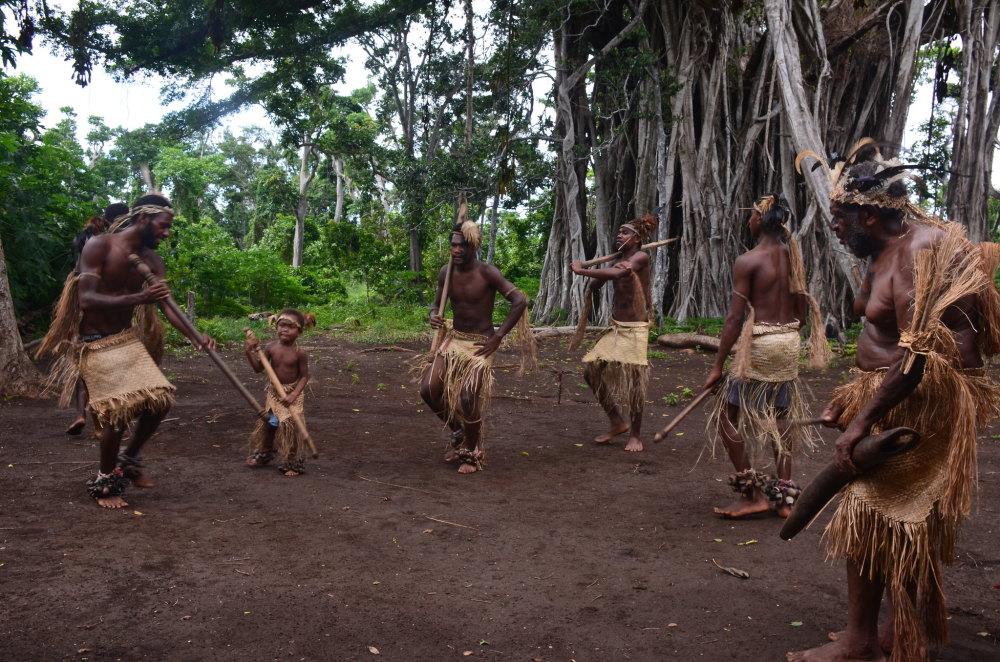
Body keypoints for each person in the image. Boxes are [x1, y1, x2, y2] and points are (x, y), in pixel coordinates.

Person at [787, 146, 1000, 661]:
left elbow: (918, 355)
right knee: (898, 518)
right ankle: (895, 632)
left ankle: (861, 642)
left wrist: (861, 422)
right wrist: (853, 396)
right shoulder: (884, 246)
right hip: (894, 388)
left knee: (868, 509)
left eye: (838, 218)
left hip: (924, 397)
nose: (833, 227)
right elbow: (880, 338)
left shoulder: (919, 254)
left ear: (867, 214)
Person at [67, 193, 214, 508]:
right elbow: (87, 300)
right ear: (144, 219)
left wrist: (196, 335)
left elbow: (167, 305)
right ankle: (106, 481)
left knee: (160, 400)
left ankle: (129, 459)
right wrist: (138, 299)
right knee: (118, 414)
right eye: (163, 226)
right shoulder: (100, 246)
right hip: (95, 342)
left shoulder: (153, 261)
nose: (166, 233)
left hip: (126, 338)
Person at [702, 194, 828, 519]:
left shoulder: (749, 260)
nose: (747, 220)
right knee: (782, 419)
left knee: (725, 417)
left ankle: (752, 495)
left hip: (761, 344)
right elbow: (800, 313)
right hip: (788, 342)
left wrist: (717, 366)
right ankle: (785, 500)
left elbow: (734, 318)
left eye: (750, 215)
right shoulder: (792, 255)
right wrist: (783, 333)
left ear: (760, 219)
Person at [417, 208, 535, 474]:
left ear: (473, 247)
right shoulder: (446, 272)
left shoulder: (487, 273)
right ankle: (460, 431)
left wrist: (498, 337)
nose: (455, 250)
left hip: (481, 343)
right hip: (454, 339)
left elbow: (519, 301)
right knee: (428, 390)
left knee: (468, 397)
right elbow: (435, 305)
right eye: (453, 245)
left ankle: (473, 451)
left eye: (461, 246)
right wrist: (434, 316)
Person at [569, 213, 657, 452]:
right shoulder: (619, 259)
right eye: (619, 231)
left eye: (625, 232)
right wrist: (598, 269)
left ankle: (636, 435)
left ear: (637, 238)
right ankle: (617, 421)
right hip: (617, 327)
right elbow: (597, 284)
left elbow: (619, 275)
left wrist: (581, 270)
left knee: (635, 383)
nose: (619, 235)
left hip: (636, 329)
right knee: (591, 370)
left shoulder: (640, 257)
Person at [64, 203, 129, 436]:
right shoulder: (107, 241)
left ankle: (82, 415)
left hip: (84, 310)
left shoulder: (91, 238)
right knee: (105, 369)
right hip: (99, 310)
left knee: (85, 368)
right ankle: (103, 423)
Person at [244, 308, 311, 476]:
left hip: (292, 395)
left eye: (290, 326)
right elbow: (259, 368)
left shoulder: (299, 353)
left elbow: (304, 377)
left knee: (291, 430)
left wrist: (293, 395)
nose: (285, 329)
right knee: (269, 424)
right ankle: (264, 454)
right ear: (276, 327)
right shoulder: (271, 348)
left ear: (299, 332)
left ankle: (292, 462)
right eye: (282, 325)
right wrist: (248, 351)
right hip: (274, 395)